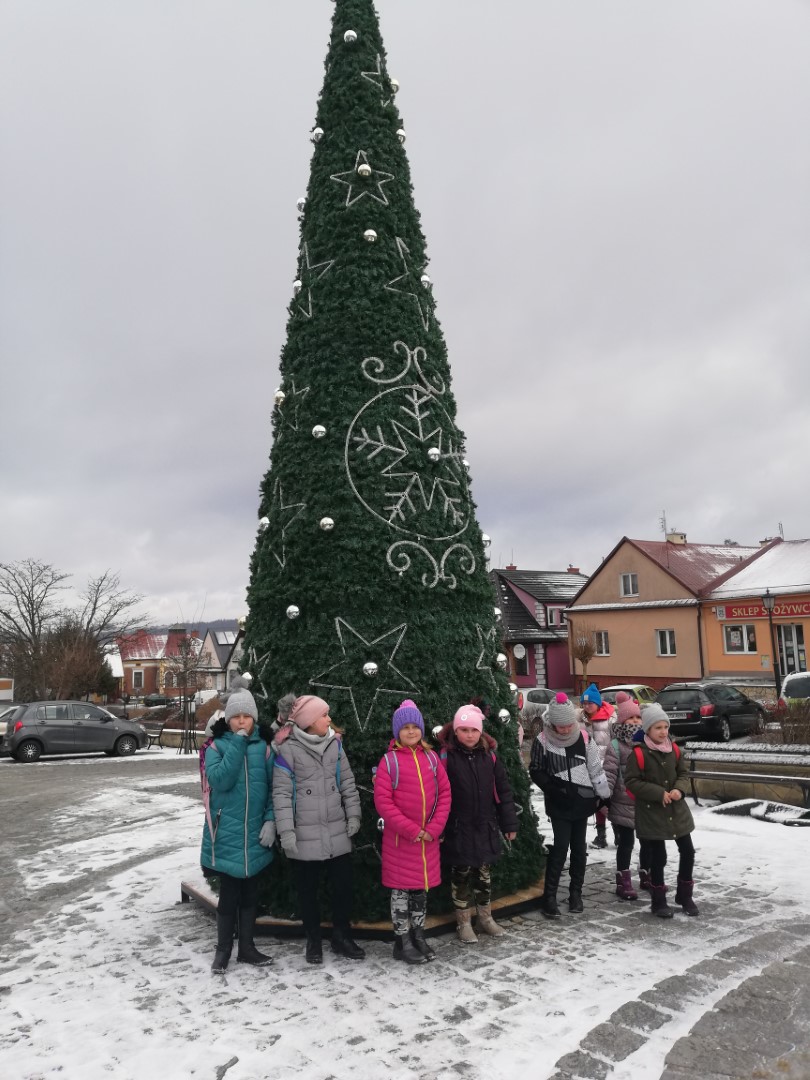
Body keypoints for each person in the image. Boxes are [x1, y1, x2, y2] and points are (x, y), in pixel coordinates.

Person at [272, 694, 365, 963]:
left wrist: (354, 815)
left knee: (343, 887)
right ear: (310, 721)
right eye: (324, 715)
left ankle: (341, 936)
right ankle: (313, 939)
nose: (329, 719)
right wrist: (286, 831)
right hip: (304, 834)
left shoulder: (335, 745)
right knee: (307, 891)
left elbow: (348, 783)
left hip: (336, 831)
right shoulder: (288, 750)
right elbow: (281, 794)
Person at [200, 683, 276, 974]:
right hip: (227, 833)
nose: (242, 722)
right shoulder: (216, 746)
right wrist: (237, 744)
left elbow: (274, 789)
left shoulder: (265, 749)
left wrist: (270, 820)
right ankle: (223, 951)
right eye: (236, 717)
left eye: (247, 716)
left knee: (250, 895)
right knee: (229, 896)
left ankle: (247, 947)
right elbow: (220, 780)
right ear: (227, 718)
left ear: (254, 718)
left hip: (255, 833)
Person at [374, 700, 452, 965]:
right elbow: (383, 802)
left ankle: (419, 936)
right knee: (400, 892)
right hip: (401, 842)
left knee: (420, 890)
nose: (411, 731)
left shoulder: (431, 758)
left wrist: (434, 828)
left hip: (427, 840)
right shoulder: (389, 762)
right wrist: (411, 830)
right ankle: (402, 941)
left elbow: (445, 794)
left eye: (415, 726)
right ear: (397, 731)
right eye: (405, 727)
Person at [437, 703, 519, 944]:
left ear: (480, 731)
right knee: (460, 877)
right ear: (456, 731)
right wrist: (440, 828)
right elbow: (437, 795)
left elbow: (503, 791)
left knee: (483, 876)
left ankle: (485, 917)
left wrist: (509, 824)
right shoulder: (446, 757)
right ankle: (463, 922)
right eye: (464, 730)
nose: (469, 735)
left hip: (485, 826)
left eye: (474, 730)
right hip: (458, 828)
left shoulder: (489, 756)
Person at [530, 693, 609, 918]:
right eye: (560, 726)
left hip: (582, 801)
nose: (565, 730)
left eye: (568, 725)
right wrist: (552, 788)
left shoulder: (584, 738)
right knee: (560, 848)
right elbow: (535, 769)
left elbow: (595, 768)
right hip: (559, 803)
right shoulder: (542, 741)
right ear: (552, 723)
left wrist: (603, 795)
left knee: (579, 849)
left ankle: (576, 893)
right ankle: (549, 897)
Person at [624, 703, 698, 918]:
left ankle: (685, 895)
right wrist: (658, 793)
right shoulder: (639, 754)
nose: (663, 732)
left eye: (665, 727)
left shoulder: (674, 749)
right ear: (647, 729)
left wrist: (679, 790)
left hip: (677, 810)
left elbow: (683, 774)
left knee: (688, 851)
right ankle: (658, 900)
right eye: (658, 728)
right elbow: (631, 781)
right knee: (658, 857)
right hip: (652, 813)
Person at [603, 691, 647, 901]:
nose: (636, 721)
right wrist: (605, 797)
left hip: (645, 802)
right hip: (623, 801)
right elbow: (610, 773)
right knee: (626, 843)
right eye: (631, 718)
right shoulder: (615, 745)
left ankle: (647, 873)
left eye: (638, 717)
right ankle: (623, 880)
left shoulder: (647, 741)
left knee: (648, 841)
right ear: (622, 721)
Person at [580, 683, 615, 848]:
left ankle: (618, 832)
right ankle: (601, 835)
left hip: (607, 766)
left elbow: (615, 741)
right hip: (588, 766)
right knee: (597, 802)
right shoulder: (581, 719)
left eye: (590, 703)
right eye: (584, 703)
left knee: (608, 800)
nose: (587, 706)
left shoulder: (610, 718)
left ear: (598, 703)